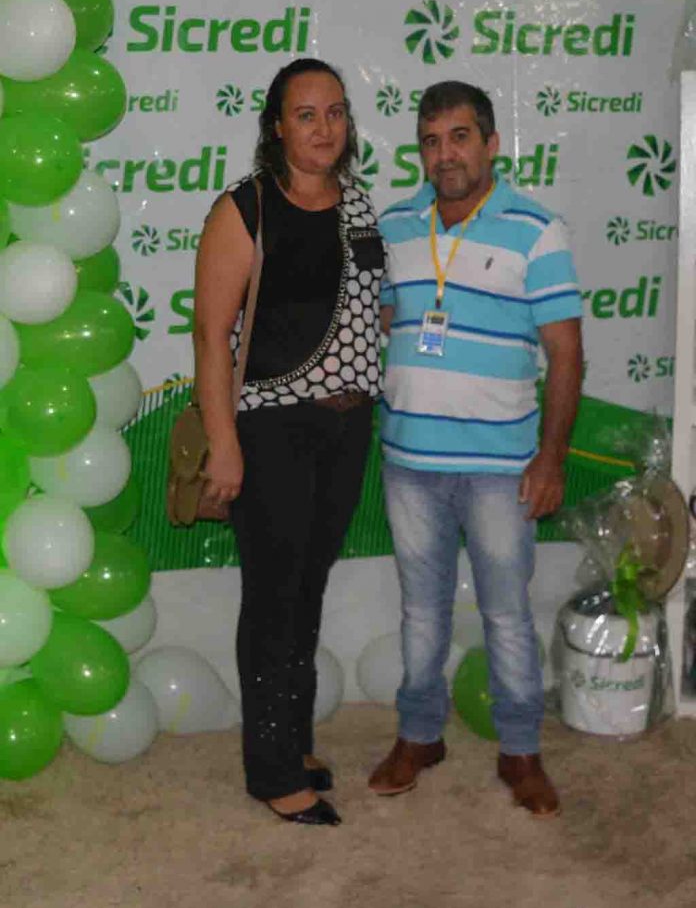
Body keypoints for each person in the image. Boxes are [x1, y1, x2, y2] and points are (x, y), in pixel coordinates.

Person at [369, 81, 583, 817]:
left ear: (491, 144)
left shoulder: (537, 231)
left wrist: (550, 460)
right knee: (421, 611)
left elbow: (566, 353)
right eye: (431, 141)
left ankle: (521, 750)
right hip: (410, 460)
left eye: (460, 137)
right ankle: (418, 734)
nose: (445, 155)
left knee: (506, 614)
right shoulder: (395, 227)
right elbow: (388, 325)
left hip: (501, 467)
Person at [193, 59, 384, 826]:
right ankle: (271, 772)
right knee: (274, 597)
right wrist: (223, 443)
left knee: (306, 589)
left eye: (335, 111)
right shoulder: (246, 208)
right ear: (277, 126)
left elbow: (370, 312)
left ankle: (291, 742)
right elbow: (210, 335)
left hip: (347, 428)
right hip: (271, 430)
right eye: (306, 114)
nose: (324, 127)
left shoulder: (360, 205)